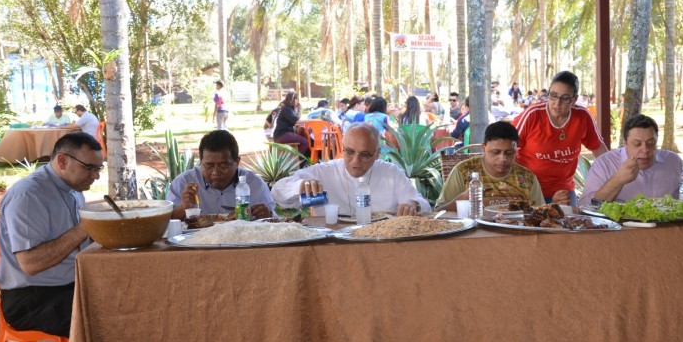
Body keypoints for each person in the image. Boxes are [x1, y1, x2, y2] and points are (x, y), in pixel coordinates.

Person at [0, 132, 103, 338]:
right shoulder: (29, 195)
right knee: (112, 318)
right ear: (62, 161)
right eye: (89, 168)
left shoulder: (73, 187)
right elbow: (31, 264)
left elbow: (81, 242)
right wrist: (85, 226)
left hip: (65, 286)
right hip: (31, 298)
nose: (95, 175)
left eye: (98, 168)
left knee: (130, 299)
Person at [272, 123, 430, 216]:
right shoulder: (324, 172)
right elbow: (278, 193)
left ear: (377, 154)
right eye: (349, 152)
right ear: (342, 148)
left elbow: (424, 205)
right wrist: (299, 186)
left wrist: (413, 204)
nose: (356, 161)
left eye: (365, 154)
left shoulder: (391, 173)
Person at [513, 70, 608, 205]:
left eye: (564, 98)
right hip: (529, 189)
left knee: (570, 223)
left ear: (574, 100)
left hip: (564, 192)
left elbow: (601, 152)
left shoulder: (582, 117)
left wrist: (616, 178)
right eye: (553, 96)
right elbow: (508, 147)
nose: (557, 104)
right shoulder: (533, 115)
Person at [168, 130, 275, 220]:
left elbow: (274, 220)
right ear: (201, 162)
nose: (215, 172)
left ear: (237, 162)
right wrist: (184, 207)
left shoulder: (255, 185)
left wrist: (266, 215)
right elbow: (167, 222)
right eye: (209, 166)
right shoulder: (183, 183)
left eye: (223, 166)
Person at [436, 121, 544, 210]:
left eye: (509, 153)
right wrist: (462, 199)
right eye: (496, 152)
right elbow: (438, 211)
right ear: (484, 149)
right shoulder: (464, 171)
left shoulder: (527, 177)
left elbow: (540, 211)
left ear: (516, 150)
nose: (503, 159)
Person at [580, 114, 683, 205]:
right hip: (620, 226)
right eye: (637, 144)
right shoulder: (604, 164)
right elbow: (584, 205)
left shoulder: (673, 161)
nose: (645, 150)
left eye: (651, 143)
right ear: (625, 143)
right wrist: (617, 180)